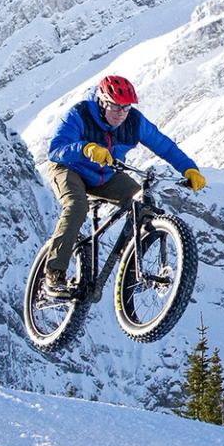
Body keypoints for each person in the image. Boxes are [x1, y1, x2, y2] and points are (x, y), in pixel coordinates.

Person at [40, 74, 205, 296]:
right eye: (116, 107)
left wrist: (189, 168)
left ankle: (132, 269)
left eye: (126, 108)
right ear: (101, 102)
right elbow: (56, 150)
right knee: (77, 206)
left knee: (142, 206)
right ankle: (53, 275)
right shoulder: (80, 114)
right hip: (69, 168)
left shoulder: (134, 122)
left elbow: (164, 145)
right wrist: (85, 148)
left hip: (105, 175)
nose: (121, 114)